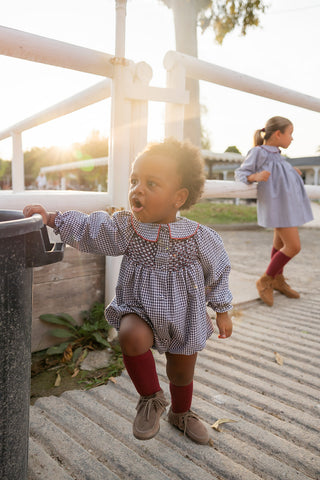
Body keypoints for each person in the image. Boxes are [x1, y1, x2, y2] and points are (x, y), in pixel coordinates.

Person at [24, 137, 233, 445]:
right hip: (141, 309)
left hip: (184, 316)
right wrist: (54, 219)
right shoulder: (127, 229)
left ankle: (181, 412)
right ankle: (151, 398)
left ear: (179, 197)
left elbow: (218, 272)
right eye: (135, 180)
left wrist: (223, 309)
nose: (138, 189)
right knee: (131, 335)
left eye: (151, 183)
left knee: (181, 372)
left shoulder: (201, 238)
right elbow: (92, 229)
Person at [235, 116, 313, 306]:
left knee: (280, 245)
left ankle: (278, 279)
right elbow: (241, 173)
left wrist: (290, 170)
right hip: (277, 205)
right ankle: (266, 279)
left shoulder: (279, 155)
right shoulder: (258, 152)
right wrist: (256, 176)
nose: (292, 138)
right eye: (290, 134)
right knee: (293, 247)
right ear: (278, 134)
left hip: (285, 205)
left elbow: (278, 171)